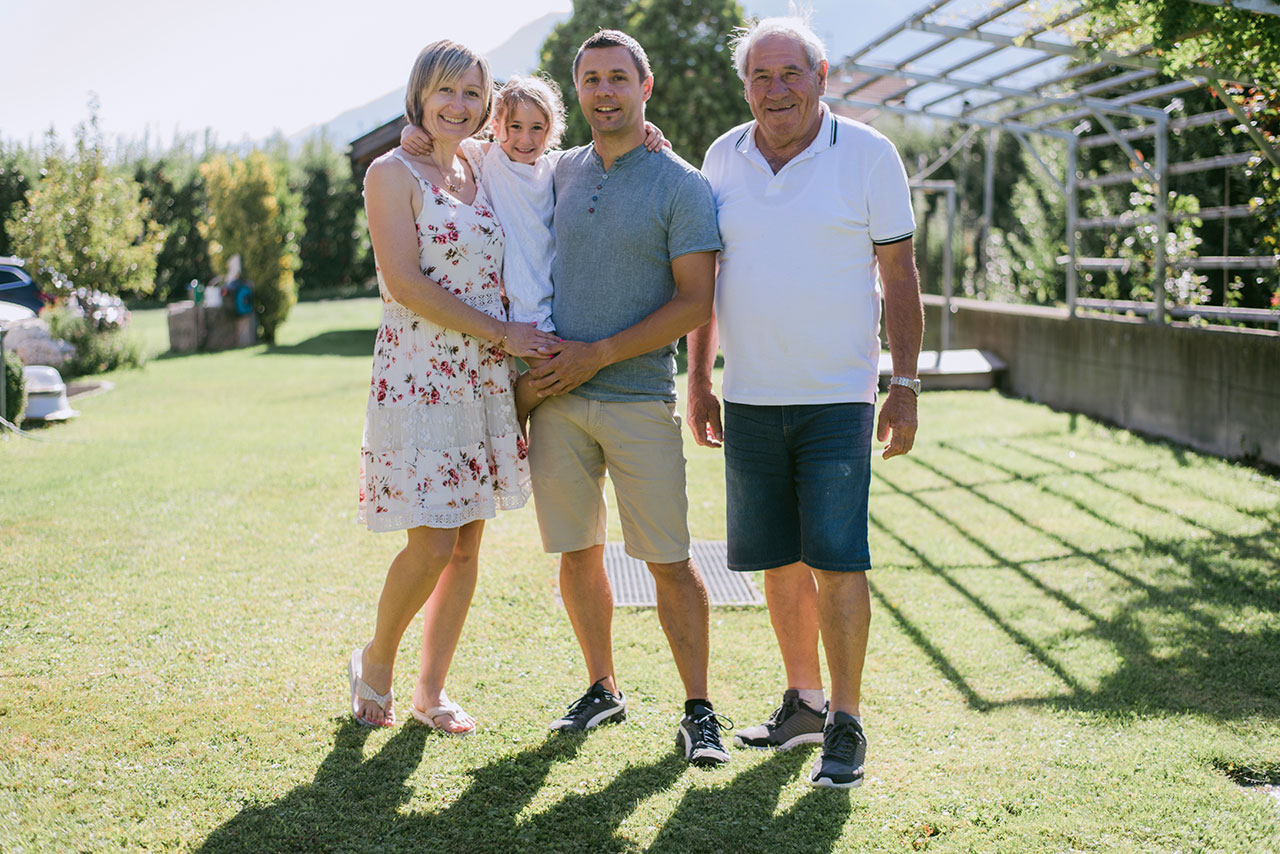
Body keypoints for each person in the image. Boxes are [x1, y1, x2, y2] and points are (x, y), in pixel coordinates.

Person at [687, 16, 924, 788]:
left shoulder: (868, 154)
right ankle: (804, 703)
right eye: (761, 76)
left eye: (791, 73)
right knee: (778, 561)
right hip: (750, 396)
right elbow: (706, 284)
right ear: (745, 85)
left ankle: (847, 724)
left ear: (822, 75)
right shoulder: (721, 157)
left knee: (836, 558)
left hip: (839, 399)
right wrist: (699, 380)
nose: (776, 89)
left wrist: (906, 386)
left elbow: (900, 278)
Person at [523, 29, 729, 766]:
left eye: (618, 78)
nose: (603, 91)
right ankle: (602, 686)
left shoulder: (682, 185)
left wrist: (599, 355)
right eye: (590, 80)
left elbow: (695, 302)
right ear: (576, 92)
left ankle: (699, 710)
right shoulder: (556, 171)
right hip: (554, 400)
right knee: (576, 551)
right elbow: (483, 168)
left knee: (668, 557)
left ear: (646, 87)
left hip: (639, 395)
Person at [351, 40, 560, 733]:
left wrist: (645, 133)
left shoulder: (483, 162)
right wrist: (505, 335)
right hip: (421, 374)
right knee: (432, 543)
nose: (458, 106)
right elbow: (405, 285)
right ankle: (376, 661)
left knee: (468, 544)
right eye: (446, 92)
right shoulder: (391, 172)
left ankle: (430, 691)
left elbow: (552, 158)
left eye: (473, 94)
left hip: (481, 378)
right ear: (419, 94)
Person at [400, 75, 669, 427]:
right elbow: (441, 142)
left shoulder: (556, 167)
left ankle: (512, 413)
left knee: (558, 371)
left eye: (536, 129)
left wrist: (648, 129)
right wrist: (411, 132)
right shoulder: (486, 158)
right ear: (495, 125)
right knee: (551, 373)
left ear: (552, 130)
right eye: (514, 126)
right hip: (519, 294)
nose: (525, 139)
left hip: (553, 291)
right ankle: (515, 415)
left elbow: (606, 152)